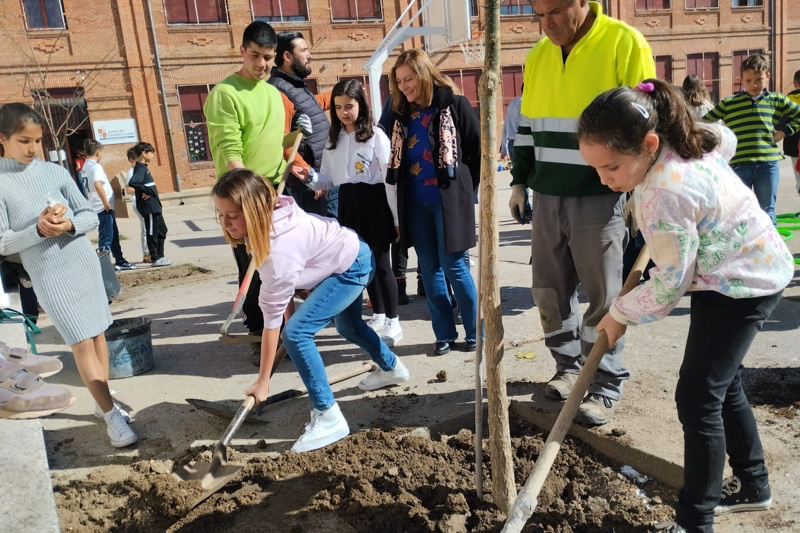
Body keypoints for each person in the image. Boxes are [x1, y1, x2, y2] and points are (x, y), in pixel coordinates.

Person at [577, 78, 794, 533]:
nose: (604, 179)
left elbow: (670, 283)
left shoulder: (662, 193)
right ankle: (754, 487)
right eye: (596, 169)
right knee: (720, 383)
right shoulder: (689, 139)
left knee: (697, 398)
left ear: (649, 144)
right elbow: (726, 140)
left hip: (741, 283)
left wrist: (619, 314)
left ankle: (695, 522)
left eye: (612, 167)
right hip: (740, 269)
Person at [509, 0, 655, 426]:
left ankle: (605, 383)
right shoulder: (538, 55)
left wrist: (640, 189)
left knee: (603, 295)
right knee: (548, 291)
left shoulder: (622, 43)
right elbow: (527, 123)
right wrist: (519, 180)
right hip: (548, 195)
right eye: (539, 14)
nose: (547, 23)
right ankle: (568, 367)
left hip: (601, 193)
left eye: (555, 11)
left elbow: (648, 119)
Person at [212, 168, 410, 452]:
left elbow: (272, 324)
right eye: (221, 214)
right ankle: (392, 368)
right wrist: (295, 325)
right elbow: (284, 297)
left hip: (351, 264)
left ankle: (329, 416)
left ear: (256, 210)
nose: (226, 223)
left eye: (233, 215)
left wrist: (263, 382)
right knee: (348, 327)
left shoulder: (278, 250)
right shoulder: (274, 215)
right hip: (347, 252)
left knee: (295, 334)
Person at [0, 103, 137, 445]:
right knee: (80, 342)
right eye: (24, 141)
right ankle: (110, 415)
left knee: (98, 334)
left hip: (82, 263)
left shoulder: (56, 173)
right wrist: (40, 230)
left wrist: (70, 223)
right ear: (2, 139)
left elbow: (90, 216)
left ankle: (102, 401)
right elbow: (2, 241)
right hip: (48, 274)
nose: (33, 149)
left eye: (37, 140)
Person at [204, 21, 296, 363]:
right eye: (255, 55)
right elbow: (230, 149)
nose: (262, 63)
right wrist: (248, 191)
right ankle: (260, 336)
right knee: (253, 269)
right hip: (243, 196)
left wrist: (292, 156)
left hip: (274, 191)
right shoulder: (225, 94)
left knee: (279, 266)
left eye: (268, 57)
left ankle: (285, 332)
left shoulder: (273, 93)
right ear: (241, 51)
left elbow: (270, 141)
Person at [383, 49, 480, 356]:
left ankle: (475, 331)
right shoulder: (398, 113)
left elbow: (476, 150)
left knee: (455, 266)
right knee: (429, 269)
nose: (403, 86)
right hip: (414, 203)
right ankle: (444, 334)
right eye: (398, 81)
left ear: (424, 74)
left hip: (448, 201)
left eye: (408, 78)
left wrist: (466, 190)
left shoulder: (453, 104)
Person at [306, 79, 402, 346]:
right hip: (347, 204)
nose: (343, 112)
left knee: (382, 265)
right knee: (362, 264)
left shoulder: (376, 136)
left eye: (349, 106)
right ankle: (379, 314)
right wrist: (308, 176)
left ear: (361, 104)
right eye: (337, 107)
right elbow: (327, 179)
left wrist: (395, 218)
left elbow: (389, 180)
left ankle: (394, 321)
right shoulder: (332, 140)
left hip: (374, 203)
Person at [703, 53, 800, 224]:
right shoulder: (729, 103)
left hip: (767, 165)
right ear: (741, 79)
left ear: (767, 76)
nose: (754, 85)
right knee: (740, 212)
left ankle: (770, 250)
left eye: (758, 79)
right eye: (748, 80)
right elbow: (703, 123)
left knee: (767, 211)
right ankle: (743, 250)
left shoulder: (776, 100)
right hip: (739, 165)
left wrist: (783, 132)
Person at [268, 31, 332, 217]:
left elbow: (312, 106)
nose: (309, 55)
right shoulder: (279, 91)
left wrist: (339, 93)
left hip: (320, 179)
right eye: (303, 50)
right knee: (318, 242)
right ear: (287, 56)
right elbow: (284, 145)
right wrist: (312, 179)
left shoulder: (294, 85)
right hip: (308, 188)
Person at [83, 140, 136, 271]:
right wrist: (106, 204)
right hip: (103, 207)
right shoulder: (95, 166)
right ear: (98, 152)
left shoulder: (86, 166)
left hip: (98, 205)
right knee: (106, 237)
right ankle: (104, 266)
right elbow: (97, 184)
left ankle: (120, 260)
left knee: (112, 234)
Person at [127, 142, 171, 267]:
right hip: (149, 207)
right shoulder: (140, 168)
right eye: (150, 152)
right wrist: (146, 191)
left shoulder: (144, 168)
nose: (152, 155)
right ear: (143, 153)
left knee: (162, 229)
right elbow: (133, 182)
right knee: (152, 231)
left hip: (155, 206)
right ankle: (155, 258)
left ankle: (161, 255)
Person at [125, 147, 150, 263]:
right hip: (138, 203)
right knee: (146, 228)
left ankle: (147, 252)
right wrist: (144, 190)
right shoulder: (132, 172)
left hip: (143, 203)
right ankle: (147, 253)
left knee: (145, 227)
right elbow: (129, 190)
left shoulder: (139, 170)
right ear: (131, 160)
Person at [784, 69, 800, 196]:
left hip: (794, 145)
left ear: (795, 83)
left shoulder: (788, 99)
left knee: (798, 175)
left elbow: (781, 122)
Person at [500, 89, 522, 162]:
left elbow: (506, 127)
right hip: (526, 142)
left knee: (517, 172)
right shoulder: (530, 103)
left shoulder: (512, 104)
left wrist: (504, 150)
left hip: (512, 142)